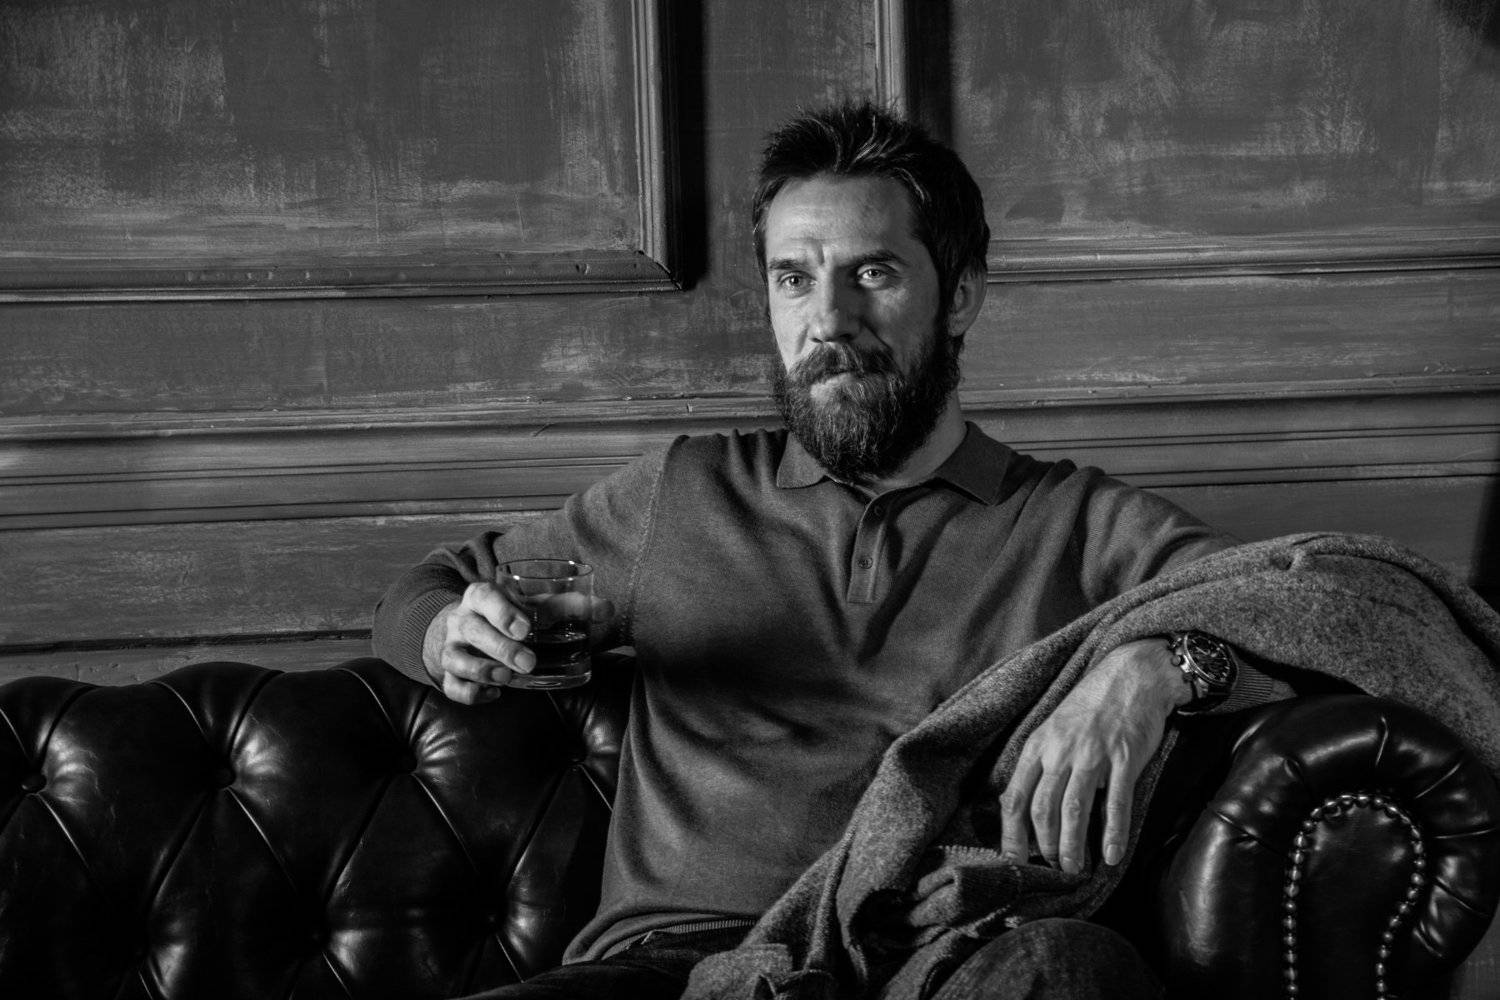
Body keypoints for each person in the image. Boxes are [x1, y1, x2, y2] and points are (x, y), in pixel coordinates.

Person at [372, 101, 1288, 999]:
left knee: (1071, 969)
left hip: (932, 961)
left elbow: (1314, 597)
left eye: (872, 273)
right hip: (678, 966)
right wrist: (450, 631)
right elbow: (429, 588)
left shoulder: (1074, 521)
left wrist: (1159, 668)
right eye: (793, 279)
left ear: (961, 295)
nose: (828, 320)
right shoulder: (682, 491)